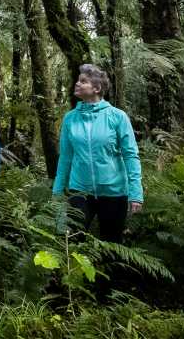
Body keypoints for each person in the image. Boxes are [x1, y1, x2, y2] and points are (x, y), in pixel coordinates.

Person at [51, 63, 142, 243]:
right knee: (74, 241)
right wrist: (57, 190)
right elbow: (66, 157)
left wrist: (136, 193)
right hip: (80, 192)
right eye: (78, 80)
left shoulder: (117, 116)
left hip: (114, 193)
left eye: (83, 81)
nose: (77, 84)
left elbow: (130, 155)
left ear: (97, 88)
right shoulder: (70, 118)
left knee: (111, 245)